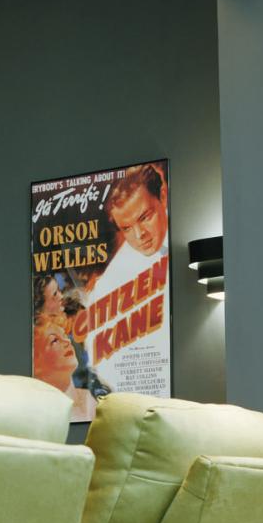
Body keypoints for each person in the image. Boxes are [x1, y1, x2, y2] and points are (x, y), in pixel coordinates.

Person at [83, 164, 171, 396]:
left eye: (145, 217)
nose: (140, 235)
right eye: (127, 228)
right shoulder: (110, 279)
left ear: (163, 196)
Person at [32, 316, 97, 421]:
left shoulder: (90, 399)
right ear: (36, 362)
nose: (67, 341)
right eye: (54, 341)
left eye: (65, 335)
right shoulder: (37, 413)